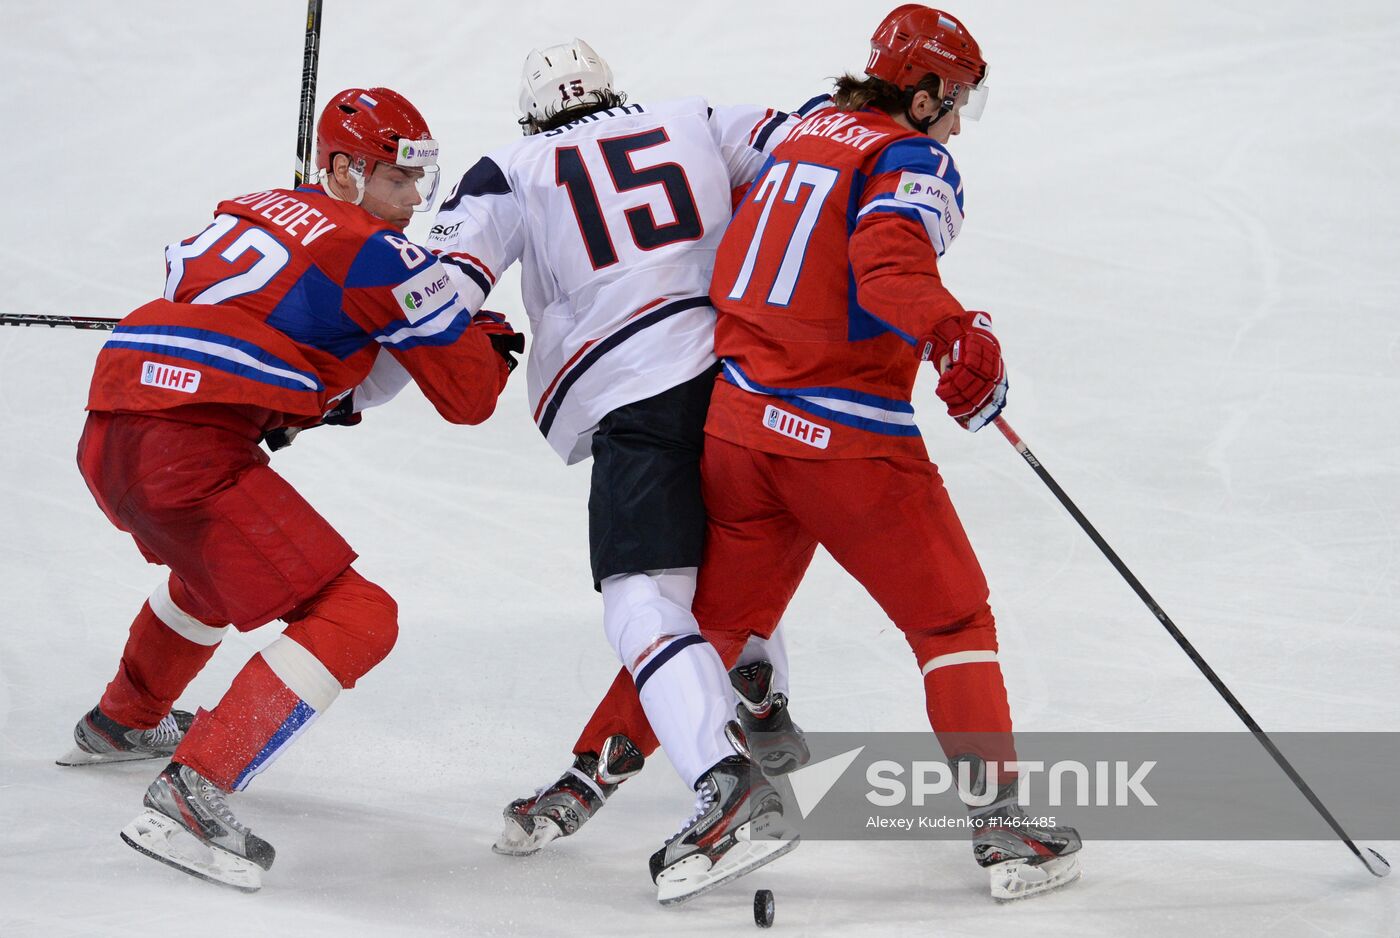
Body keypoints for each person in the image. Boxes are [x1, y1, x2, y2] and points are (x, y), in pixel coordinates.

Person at [518, 6, 1085, 900]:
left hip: (740, 428)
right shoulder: (911, 157)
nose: (958, 122)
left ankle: (582, 779)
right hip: (846, 443)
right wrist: (957, 336)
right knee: (951, 622)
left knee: (708, 629)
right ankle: (1006, 828)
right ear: (926, 90)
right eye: (957, 100)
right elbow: (889, 266)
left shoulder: (807, 125)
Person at [57, 86, 522, 892]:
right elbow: (469, 399)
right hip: (187, 450)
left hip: (110, 431)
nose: (413, 201)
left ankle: (120, 721)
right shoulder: (379, 255)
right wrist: (482, 333)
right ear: (341, 168)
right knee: (358, 614)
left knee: (209, 573)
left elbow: (217, 298)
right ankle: (193, 792)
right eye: (394, 180)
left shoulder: (244, 209)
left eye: (421, 179)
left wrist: (293, 394)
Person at [426, 40, 814, 902]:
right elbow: (811, 155)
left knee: (644, 599)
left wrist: (331, 276)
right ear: (613, 91)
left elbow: (441, 293)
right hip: (744, 381)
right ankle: (760, 686)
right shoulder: (698, 117)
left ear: (533, 113)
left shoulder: (511, 166)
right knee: (731, 555)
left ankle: (726, 783)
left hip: (639, 400)